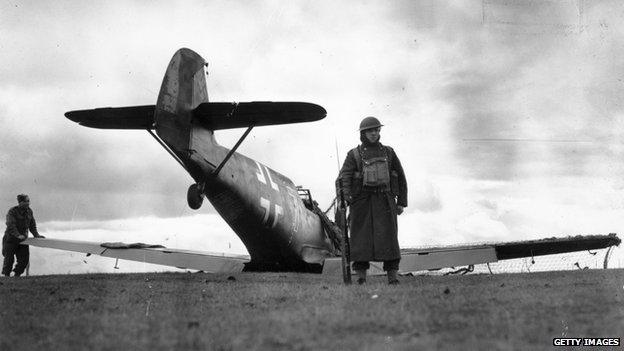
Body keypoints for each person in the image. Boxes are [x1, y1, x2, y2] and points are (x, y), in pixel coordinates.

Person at [337, 116, 408, 285]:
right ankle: (361, 277)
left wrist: (401, 202)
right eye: (370, 131)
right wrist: (345, 198)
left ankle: (393, 278)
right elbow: (344, 177)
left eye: (376, 130)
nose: (374, 133)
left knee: (390, 240)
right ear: (363, 133)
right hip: (362, 203)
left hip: (385, 201)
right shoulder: (354, 154)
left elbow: (401, 177)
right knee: (360, 241)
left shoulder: (389, 152)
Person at [2, 194, 45, 277]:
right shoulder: (12, 211)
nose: (28, 203)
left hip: (22, 240)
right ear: (20, 202)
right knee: (9, 260)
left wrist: (36, 235)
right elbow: (10, 224)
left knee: (24, 260)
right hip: (10, 239)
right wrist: (17, 235)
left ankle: (16, 275)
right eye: (26, 201)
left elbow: (32, 224)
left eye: (28, 201)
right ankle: (6, 277)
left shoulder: (29, 211)